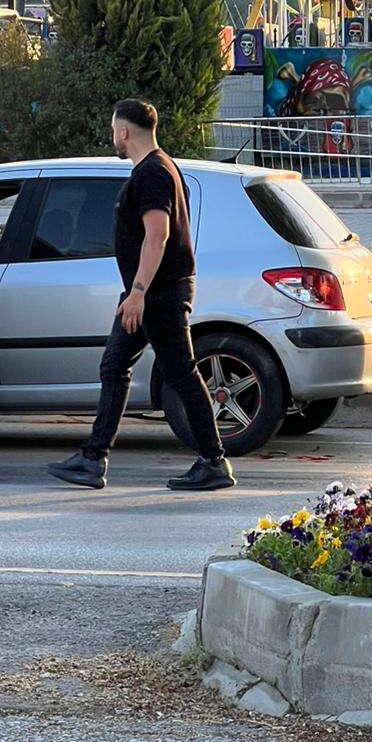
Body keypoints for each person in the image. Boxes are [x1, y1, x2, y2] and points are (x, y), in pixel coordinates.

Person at [46, 99, 235, 493]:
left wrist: (138, 293)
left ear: (125, 132)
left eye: (114, 129)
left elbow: (157, 234)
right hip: (148, 295)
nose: (112, 136)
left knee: (182, 373)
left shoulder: (152, 173)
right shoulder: (156, 167)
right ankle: (93, 459)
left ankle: (214, 461)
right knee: (114, 366)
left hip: (157, 295)